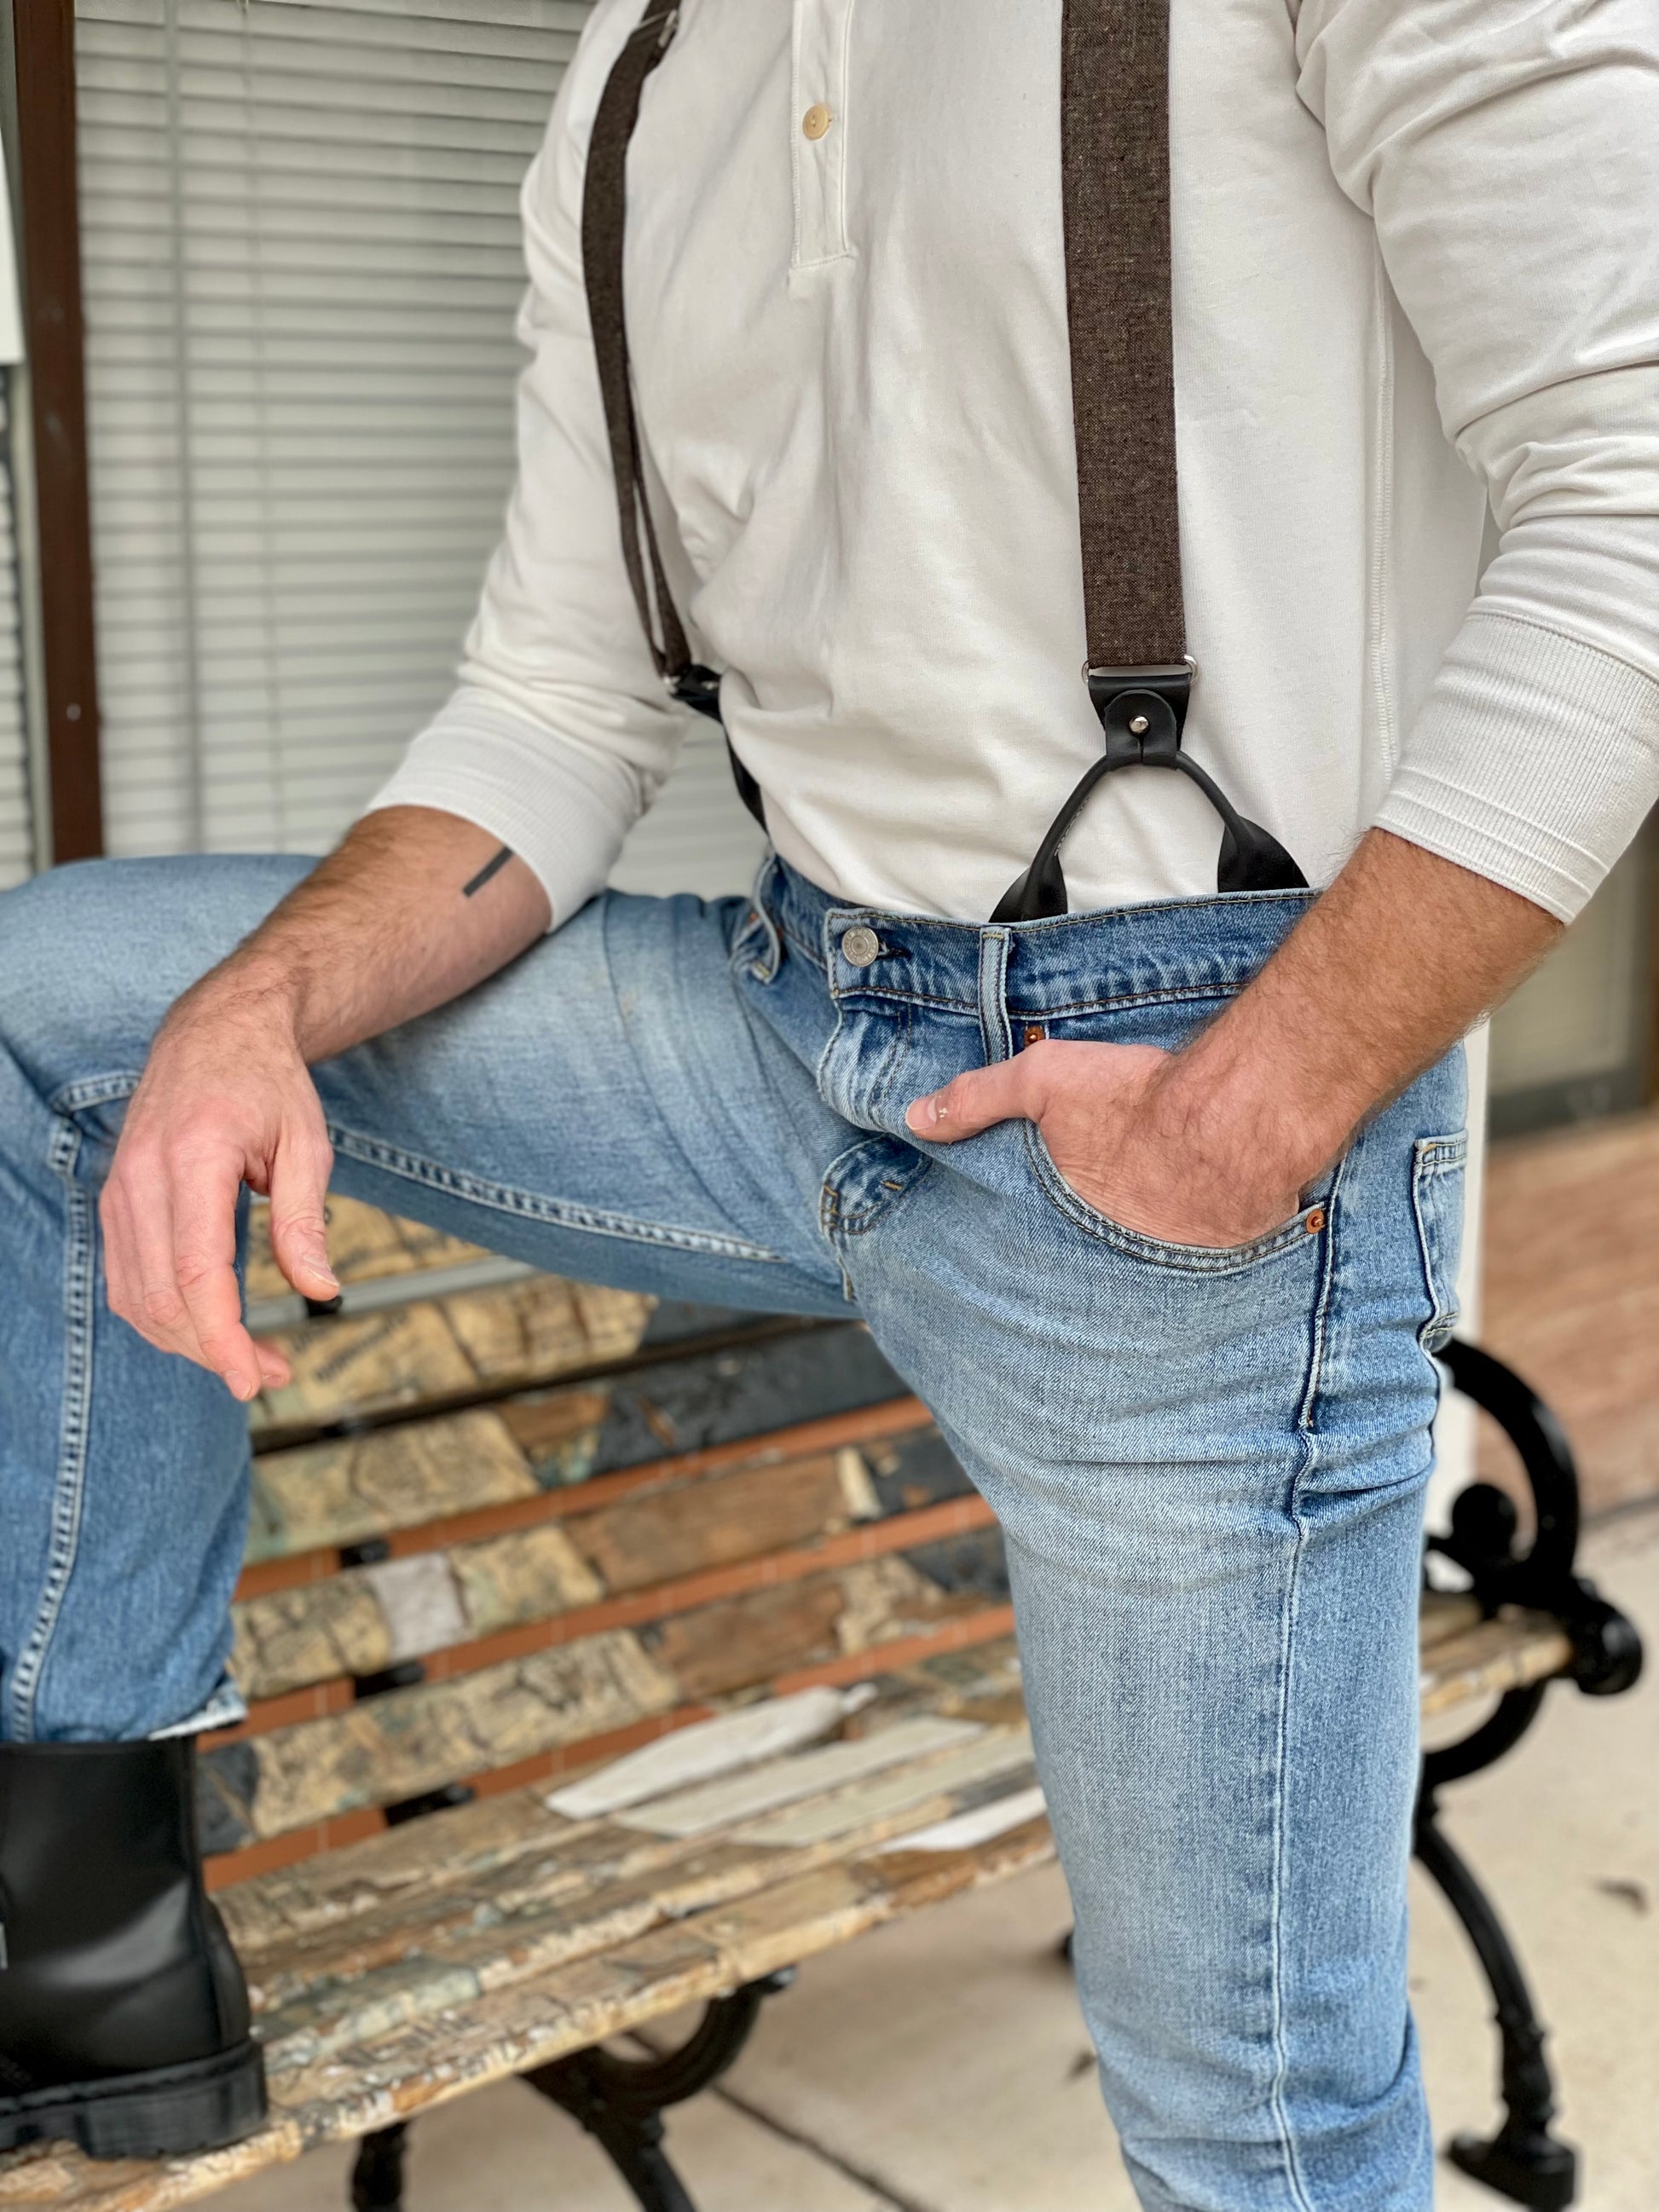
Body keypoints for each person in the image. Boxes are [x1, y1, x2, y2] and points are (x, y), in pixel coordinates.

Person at [2, 0, 1655, 2198]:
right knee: (67, 1002)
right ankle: (92, 1953)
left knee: (1251, 2131)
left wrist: (1250, 1109)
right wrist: (257, 1001)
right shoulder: (637, 70)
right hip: (788, 1021)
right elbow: (555, 703)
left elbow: (1636, 503)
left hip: (1180, 1085)